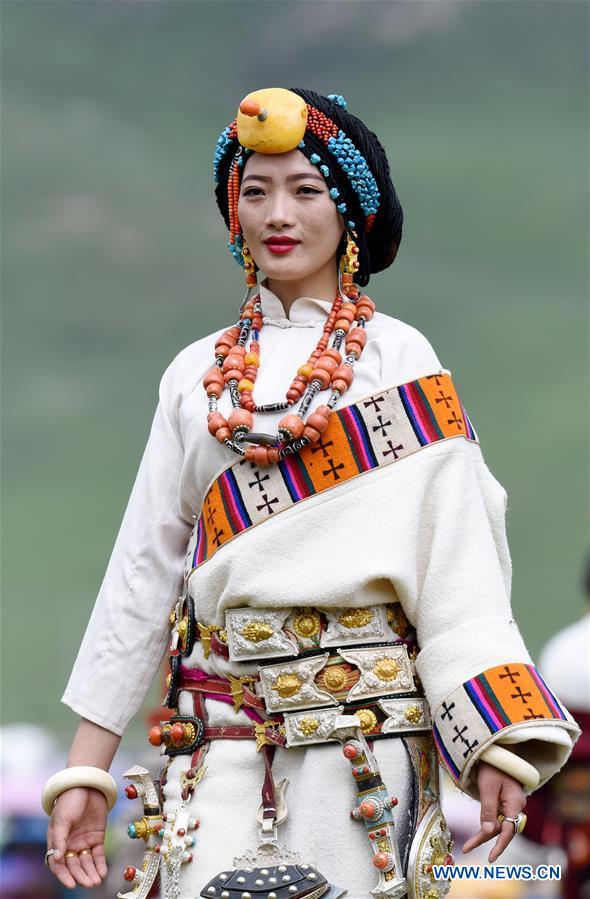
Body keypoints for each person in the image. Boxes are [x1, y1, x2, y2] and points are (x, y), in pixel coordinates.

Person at [43, 88, 580, 899]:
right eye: (254, 192)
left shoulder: (403, 360)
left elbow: (459, 569)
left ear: (351, 211)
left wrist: (495, 740)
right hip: (216, 743)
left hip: (366, 754)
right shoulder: (194, 376)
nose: (276, 214)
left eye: (305, 189)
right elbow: (143, 570)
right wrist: (88, 763)